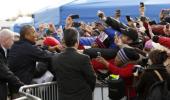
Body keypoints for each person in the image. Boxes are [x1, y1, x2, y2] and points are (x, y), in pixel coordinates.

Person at [52, 28, 96, 100]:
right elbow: (92, 78)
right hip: (82, 96)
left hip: (64, 97)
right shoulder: (83, 58)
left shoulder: (55, 58)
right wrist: (88, 91)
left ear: (64, 41)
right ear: (77, 42)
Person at [0, 29, 24, 100]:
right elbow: (5, 72)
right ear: (5, 40)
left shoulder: (6, 50)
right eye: (12, 40)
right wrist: (21, 85)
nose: (13, 43)